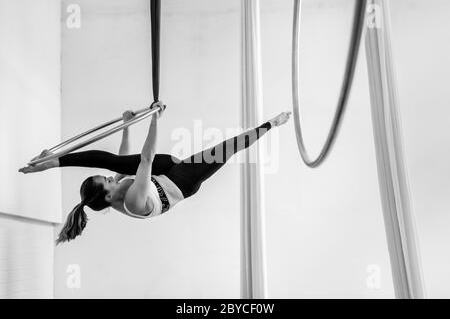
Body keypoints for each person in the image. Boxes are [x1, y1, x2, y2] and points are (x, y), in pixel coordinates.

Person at [19, 104, 291, 244]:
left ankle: (53, 162)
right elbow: (146, 159)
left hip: (162, 172)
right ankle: (272, 124)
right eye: (107, 181)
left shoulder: (113, 192)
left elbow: (121, 160)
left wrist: (126, 125)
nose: (111, 178)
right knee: (225, 148)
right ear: (109, 193)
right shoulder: (133, 202)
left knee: (114, 161)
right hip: (181, 182)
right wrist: (154, 118)